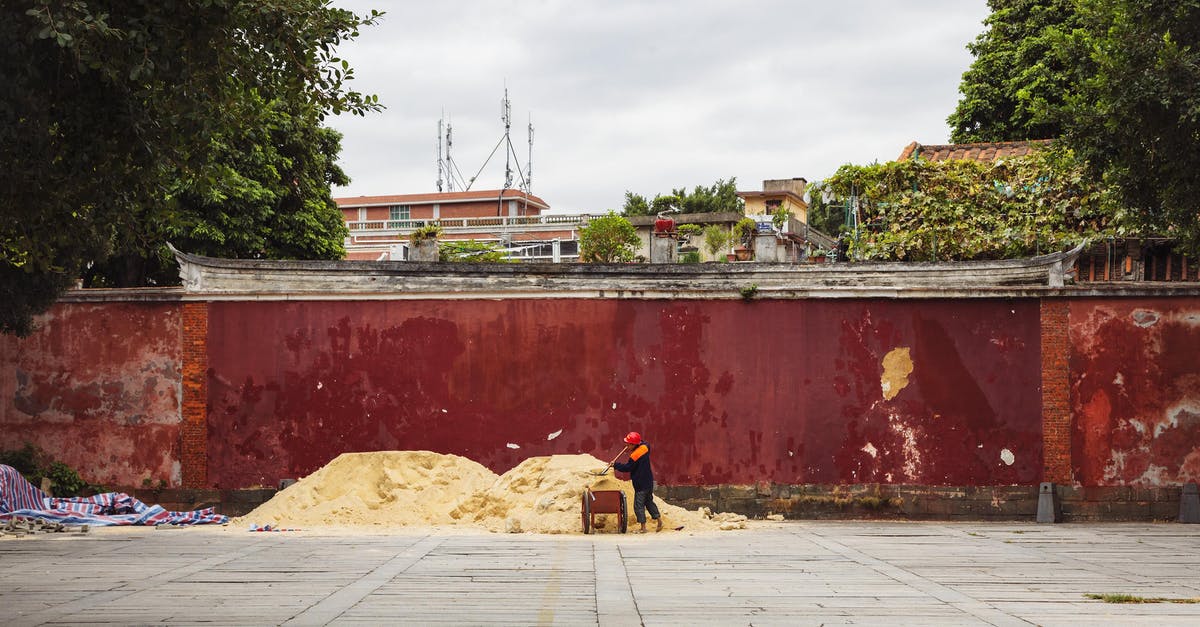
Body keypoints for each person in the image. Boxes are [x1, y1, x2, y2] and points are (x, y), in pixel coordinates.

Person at [612, 431, 662, 533]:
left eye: (628, 444)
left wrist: (615, 465)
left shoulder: (635, 455)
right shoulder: (645, 447)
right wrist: (635, 443)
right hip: (648, 482)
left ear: (634, 444)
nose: (626, 446)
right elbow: (644, 442)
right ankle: (659, 521)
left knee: (638, 506)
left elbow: (628, 467)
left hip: (640, 484)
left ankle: (643, 528)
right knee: (649, 502)